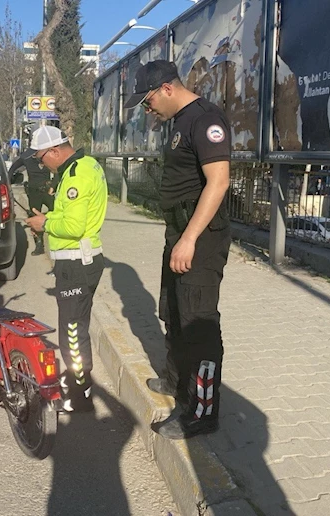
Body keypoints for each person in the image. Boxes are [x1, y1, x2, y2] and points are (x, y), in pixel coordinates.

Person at [123, 60, 231, 439]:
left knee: (197, 323)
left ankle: (201, 413)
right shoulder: (179, 123)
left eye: (148, 100)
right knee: (172, 310)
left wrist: (189, 239)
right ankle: (175, 380)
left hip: (199, 238)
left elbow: (218, 182)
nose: (147, 108)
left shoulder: (206, 119)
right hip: (179, 232)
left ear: (167, 88)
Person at [24, 126, 108, 412]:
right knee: (75, 327)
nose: (40, 163)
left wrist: (43, 224)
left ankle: (79, 391)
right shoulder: (84, 165)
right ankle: (78, 383)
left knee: (72, 332)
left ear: (55, 151)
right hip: (80, 261)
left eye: (40, 158)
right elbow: (70, 214)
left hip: (76, 263)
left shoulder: (76, 175)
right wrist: (49, 215)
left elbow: (74, 227)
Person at [8, 152, 56, 255]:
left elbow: (58, 170)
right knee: (34, 218)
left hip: (47, 191)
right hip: (34, 193)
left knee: (57, 212)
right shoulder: (26, 158)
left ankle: (58, 240)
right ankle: (39, 246)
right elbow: (13, 168)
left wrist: (54, 185)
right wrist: (8, 181)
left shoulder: (47, 156)